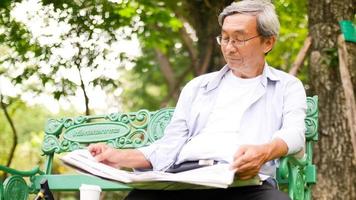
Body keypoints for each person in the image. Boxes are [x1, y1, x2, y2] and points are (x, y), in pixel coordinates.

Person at [89, 0, 306, 199]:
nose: (229, 48)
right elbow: (168, 148)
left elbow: (294, 133)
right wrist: (117, 156)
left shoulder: (286, 86)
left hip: (244, 184)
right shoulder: (198, 87)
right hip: (184, 179)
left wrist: (264, 152)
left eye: (239, 39)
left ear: (267, 42)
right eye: (225, 38)